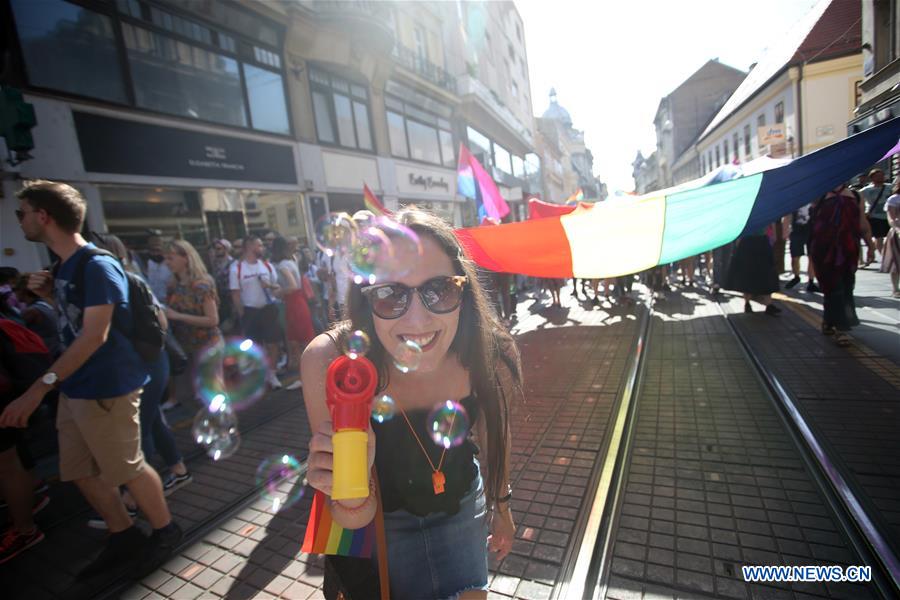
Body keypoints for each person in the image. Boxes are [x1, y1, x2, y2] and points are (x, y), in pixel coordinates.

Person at [303, 209, 520, 599]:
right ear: (366, 299)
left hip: (463, 508)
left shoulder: (491, 350)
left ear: (464, 290)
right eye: (390, 294)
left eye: (440, 289)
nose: (418, 319)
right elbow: (353, 517)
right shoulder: (334, 363)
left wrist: (501, 506)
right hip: (380, 527)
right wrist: (346, 488)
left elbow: (494, 431)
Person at [6, 180, 181, 577]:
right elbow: (77, 321)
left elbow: (95, 336)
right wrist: (51, 298)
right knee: (78, 469)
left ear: (44, 216)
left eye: (22, 213)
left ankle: (166, 531)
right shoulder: (64, 267)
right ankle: (123, 535)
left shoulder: (97, 264)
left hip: (108, 386)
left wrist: (38, 389)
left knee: (127, 468)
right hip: (77, 387)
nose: (21, 221)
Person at [102, 235, 192, 498]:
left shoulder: (129, 282)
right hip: (140, 366)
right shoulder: (123, 282)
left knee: (142, 428)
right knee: (151, 420)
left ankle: (136, 497)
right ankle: (178, 469)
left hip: (146, 365)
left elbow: (161, 323)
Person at [0, 317, 51, 564]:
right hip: (11, 398)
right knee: (13, 460)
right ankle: (30, 499)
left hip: (6, 400)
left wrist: (39, 390)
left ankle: (24, 529)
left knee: (8, 463)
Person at [164, 239, 222, 406]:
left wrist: (177, 316)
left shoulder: (201, 285)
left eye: (171, 258)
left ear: (186, 258)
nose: (167, 263)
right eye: (166, 258)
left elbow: (212, 320)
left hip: (207, 346)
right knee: (196, 397)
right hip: (186, 346)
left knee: (212, 396)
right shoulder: (172, 286)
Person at [809, 184, 863, 347]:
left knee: (846, 286)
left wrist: (870, 246)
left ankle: (828, 321)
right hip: (823, 248)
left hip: (848, 247)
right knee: (833, 286)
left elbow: (862, 222)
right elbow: (812, 223)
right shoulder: (819, 194)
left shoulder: (856, 195)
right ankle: (841, 329)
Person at [230, 236, 282, 389]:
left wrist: (270, 286)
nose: (263, 248)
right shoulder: (237, 268)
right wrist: (242, 314)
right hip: (250, 311)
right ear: (249, 247)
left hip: (268, 309)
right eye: (259, 245)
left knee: (273, 344)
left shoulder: (267, 265)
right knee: (255, 347)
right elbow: (235, 294)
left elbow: (277, 288)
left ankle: (272, 374)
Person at [271, 237, 316, 390]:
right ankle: (308, 377)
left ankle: (304, 379)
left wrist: (278, 292)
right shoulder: (291, 260)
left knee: (297, 343)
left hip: (293, 303)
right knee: (302, 342)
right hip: (298, 302)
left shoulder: (282, 265)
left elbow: (293, 285)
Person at [725, 224, 782, 315]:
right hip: (758, 241)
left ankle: (752, 304)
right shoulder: (763, 210)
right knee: (764, 273)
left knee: (749, 274)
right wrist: (773, 236)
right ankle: (765, 304)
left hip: (750, 242)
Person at [14, 275, 61, 357]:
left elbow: (13, 330)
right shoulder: (44, 304)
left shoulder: (31, 311)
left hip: (48, 352)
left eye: (15, 290)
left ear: (22, 291)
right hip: (57, 348)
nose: (14, 294)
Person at [784, 204, 819, 292]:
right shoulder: (796, 198)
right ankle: (796, 277)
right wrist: (786, 229)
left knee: (812, 257)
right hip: (796, 230)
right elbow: (787, 214)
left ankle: (811, 282)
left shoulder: (814, 197)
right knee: (795, 257)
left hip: (811, 230)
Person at [860, 168, 893, 263]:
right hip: (875, 217)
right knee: (879, 237)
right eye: (877, 176)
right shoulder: (865, 190)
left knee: (889, 237)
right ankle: (884, 257)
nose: (881, 177)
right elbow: (861, 202)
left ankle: (874, 251)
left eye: (882, 175)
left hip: (888, 215)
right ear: (872, 178)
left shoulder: (890, 187)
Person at [879, 180, 900, 298]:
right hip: (898, 233)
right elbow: (891, 218)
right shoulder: (894, 199)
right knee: (896, 262)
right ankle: (895, 289)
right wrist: (897, 229)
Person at [143, 232, 173, 302]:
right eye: (153, 250)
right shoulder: (144, 264)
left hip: (168, 302)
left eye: (158, 250)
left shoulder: (171, 265)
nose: (156, 253)